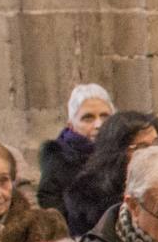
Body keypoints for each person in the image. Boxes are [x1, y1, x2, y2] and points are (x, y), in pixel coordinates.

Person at [62, 110, 158, 239]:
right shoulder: (89, 198)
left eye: (156, 143)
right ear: (117, 153)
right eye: (142, 147)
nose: (154, 152)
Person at [39, 84, 113, 214]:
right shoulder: (58, 161)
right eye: (88, 118)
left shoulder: (124, 152)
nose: (99, 125)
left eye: (105, 116)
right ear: (71, 125)